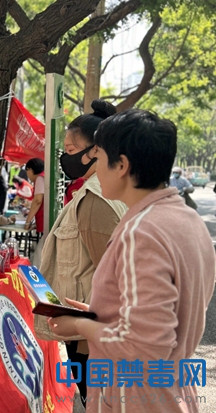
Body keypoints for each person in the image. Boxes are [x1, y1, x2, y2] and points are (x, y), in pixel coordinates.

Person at [48, 109, 216, 413]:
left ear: (122, 165)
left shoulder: (141, 233)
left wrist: (80, 326)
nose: (95, 168)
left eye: (99, 158)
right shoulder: (187, 219)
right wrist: (100, 315)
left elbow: (144, 346)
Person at [34, 100, 127, 406]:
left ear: (96, 151)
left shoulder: (96, 200)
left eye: (71, 150)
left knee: (96, 399)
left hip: (92, 335)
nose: (65, 157)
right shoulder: (102, 190)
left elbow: (115, 279)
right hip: (89, 327)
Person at [24, 158, 44, 234]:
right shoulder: (44, 176)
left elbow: (37, 201)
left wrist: (27, 222)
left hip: (46, 219)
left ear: (30, 170)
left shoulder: (40, 178)